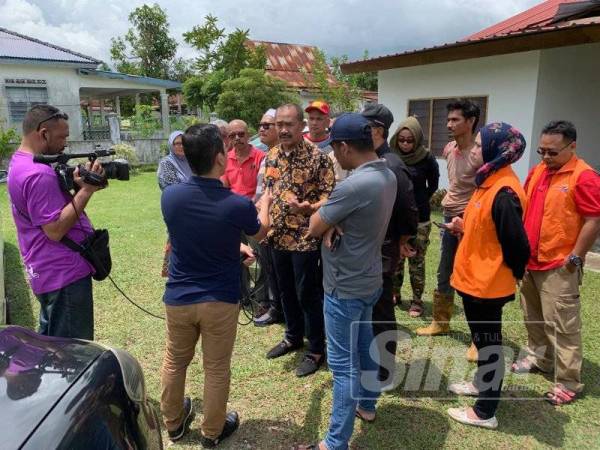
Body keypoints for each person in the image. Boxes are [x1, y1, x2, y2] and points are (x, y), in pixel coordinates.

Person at [160, 124, 272, 447]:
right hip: (219, 300)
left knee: (174, 361)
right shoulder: (236, 205)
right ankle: (212, 431)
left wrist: (233, 247)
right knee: (217, 368)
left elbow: (195, 233)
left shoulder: (171, 198)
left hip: (179, 297)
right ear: (220, 158)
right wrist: (264, 201)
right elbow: (260, 232)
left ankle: (174, 424)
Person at [295, 113, 397, 450]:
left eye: (333, 149)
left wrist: (327, 219)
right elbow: (334, 214)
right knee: (366, 346)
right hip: (369, 279)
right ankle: (367, 405)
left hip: (344, 286)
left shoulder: (354, 184)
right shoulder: (386, 174)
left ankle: (335, 442)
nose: (332, 156)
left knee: (342, 366)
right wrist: (334, 217)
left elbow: (312, 227)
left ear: (343, 146)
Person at [446, 122, 529, 429]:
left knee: (490, 344)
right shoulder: (488, 181)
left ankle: (484, 411)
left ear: (498, 148)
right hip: (474, 279)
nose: (476, 149)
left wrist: (515, 274)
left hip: (488, 283)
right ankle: (483, 385)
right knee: (482, 342)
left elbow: (517, 243)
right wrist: (462, 227)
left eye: (481, 145)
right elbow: (486, 229)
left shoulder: (504, 190)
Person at [511, 120, 600, 406]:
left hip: (560, 265)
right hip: (531, 262)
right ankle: (540, 359)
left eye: (553, 152)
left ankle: (568, 381)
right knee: (533, 317)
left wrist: (575, 258)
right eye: (542, 151)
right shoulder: (538, 171)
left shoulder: (584, 176)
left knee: (562, 325)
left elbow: (593, 219)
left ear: (572, 146)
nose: (546, 158)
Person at [7, 105, 105, 340]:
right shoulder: (38, 173)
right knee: (70, 355)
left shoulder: (19, 163)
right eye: (62, 137)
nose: (65, 143)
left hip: (47, 270)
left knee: (51, 346)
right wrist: (87, 190)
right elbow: (55, 229)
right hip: (63, 274)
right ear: (43, 133)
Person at [264, 104, 335, 377]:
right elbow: (269, 192)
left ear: (300, 125)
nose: (282, 129)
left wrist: (308, 206)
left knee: (308, 294)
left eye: (288, 124)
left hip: (304, 238)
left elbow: (331, 196)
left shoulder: (319, 158)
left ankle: (316, 348)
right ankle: (293, 336)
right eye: (278, 124)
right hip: (277, 237)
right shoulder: (271, 156)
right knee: (285, 292)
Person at [416, 99, 482, 363]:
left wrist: (472, 220)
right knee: (445, 269)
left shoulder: (482, 152)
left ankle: (479, 338)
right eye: (449, 119)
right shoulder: (449, 147)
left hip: (472, 219)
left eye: (455, 120)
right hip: (448, 214)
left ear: (471, 121)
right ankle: (440, 322)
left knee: (473, 277)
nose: (449, 124)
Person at [361, 103, 418, 386]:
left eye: (364, 128)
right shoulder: (370, 160)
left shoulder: (393, 164)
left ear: (377, 131)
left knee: (382, 310)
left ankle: (384, 369)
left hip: (384, 249)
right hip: (369, 247)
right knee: (370, 310)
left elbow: (410, 212)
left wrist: (401, 242)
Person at [390, 117, 440, 317]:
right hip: (396, 217)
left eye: (409, 140)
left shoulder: (426, 158)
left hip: (420, 218)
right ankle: (394, 293)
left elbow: (434, 185)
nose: (405, 144)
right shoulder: (391, 156)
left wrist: (419, 201)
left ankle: (417, 300)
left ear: (417, 139)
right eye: (401, 139)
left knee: (417, 260)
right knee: (396, 258)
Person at [254, 108, 284, 327]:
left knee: (282, 273)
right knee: (269, 269)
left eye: (267, 125)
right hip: (265, 221)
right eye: (261, 125)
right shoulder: (268, 156)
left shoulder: (285, 156)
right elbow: (262, 190)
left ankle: (282, 310)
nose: (262, 129)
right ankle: (275, 309)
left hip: (282, 226)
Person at [157, 130, 190, 277]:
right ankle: (175, 275)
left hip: (194, 211)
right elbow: (171, 187)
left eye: (183, 143)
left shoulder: (193, 161)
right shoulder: (166, 163)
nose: (181, 146)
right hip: (178, 211)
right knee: (178, 244)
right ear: (171, 145)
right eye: (177, 143)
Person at [304, 101, 349, 182]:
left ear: (327, 122)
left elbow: (339, 180)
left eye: (319, 119)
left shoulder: (336, 146)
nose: (314, 123)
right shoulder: (297, 142)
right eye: (311, 118)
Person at [221, 119, 265, 199]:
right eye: (232, 135)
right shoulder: (225, 158)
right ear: (229, 138)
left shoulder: (261, 157)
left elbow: (262, 190)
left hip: (254, 205)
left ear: (248, 135)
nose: (237, 138)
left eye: (241, 134)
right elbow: (224, 188)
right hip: (232, 204)